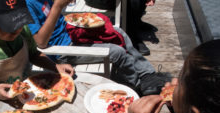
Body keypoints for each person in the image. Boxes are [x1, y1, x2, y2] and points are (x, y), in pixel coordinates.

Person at [25, 0, 170, 96]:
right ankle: (137, 86)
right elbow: (41, 42)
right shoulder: (27, 5)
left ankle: (147, 75)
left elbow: (61, 19)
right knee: (117, 52)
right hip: (63, 51)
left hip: (72, 33)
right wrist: (57, 6)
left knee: (119, 33)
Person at [0, 0, 73, 111]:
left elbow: (33, 53)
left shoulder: (22, 31)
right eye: (7, 26)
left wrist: (55, 66)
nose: (16, 30)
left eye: (20, 23)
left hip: (29, 95)